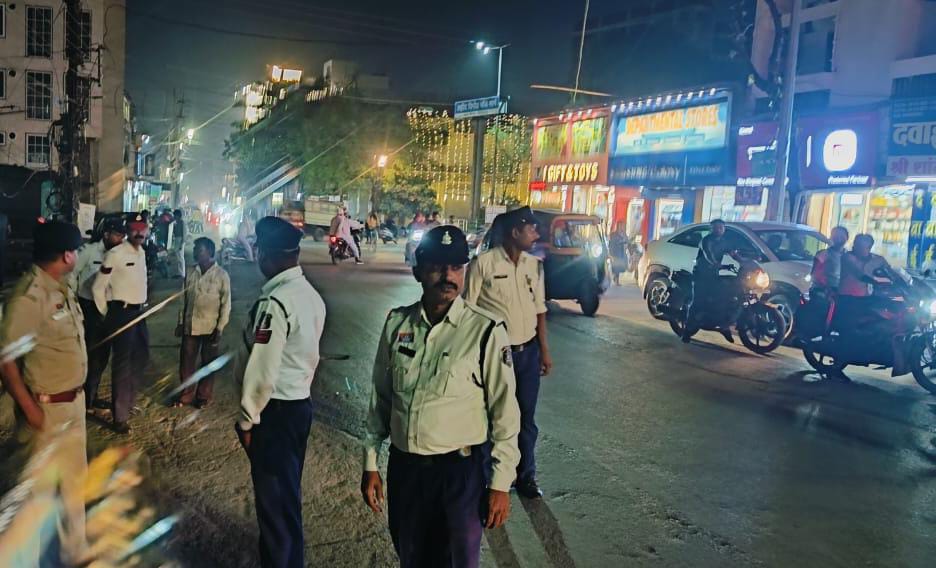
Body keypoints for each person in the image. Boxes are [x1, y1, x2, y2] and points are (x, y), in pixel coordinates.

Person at [362, 225, 520, 567]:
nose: (448, 276)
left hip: (458, 477)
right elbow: (381, 400)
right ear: (418, 271)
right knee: (410, 557)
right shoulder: (397, 324)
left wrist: (501, 483)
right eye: (437, 267)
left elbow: (505, 414)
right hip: (406, 471)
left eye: (456, 267)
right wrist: (371, 463)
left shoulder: (485, 331)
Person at [235, 217, 326, 568]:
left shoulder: (275, 302)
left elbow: (262, 372)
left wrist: (247, 421)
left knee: (274, 507)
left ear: (264, 254)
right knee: (286, 500)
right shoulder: (310, 295)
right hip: (299, 406)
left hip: (275, 414)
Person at [0, 220, 88, 564]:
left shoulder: (60, 289)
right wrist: (31, 410)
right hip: (46, 413)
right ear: (66, 256)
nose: (77, 256)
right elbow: (6, 360)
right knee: (36, 498)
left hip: (73, 407)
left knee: (74, 489)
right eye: (76, 251)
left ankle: (75, 554)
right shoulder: (29, 298)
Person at [465, 206, 551, 499]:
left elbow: (540, 311)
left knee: (526, 418)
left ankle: (525, 476)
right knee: (493, 416)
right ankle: (488, 477)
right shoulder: (483, 264)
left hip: (527, 353)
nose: (536, 234)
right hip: (494, 355)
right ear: (515, 232)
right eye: (531, 229)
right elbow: (468, 310)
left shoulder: (534, 266)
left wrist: (544, 351)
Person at [92, 214, 150, 434]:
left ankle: (127, 401)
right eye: (135, 229)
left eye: (143, 228)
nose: (139, 232)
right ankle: (120, 416)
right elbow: (98, 287)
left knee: (140, 358)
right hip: (121, 312)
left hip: (139, 312)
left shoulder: (142, 252)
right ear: (128, 230)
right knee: (123, 365)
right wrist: (106, 313)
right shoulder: (115, 254)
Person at [71, 216, 126, 410]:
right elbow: (72, 274)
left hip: (109, 308)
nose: (121, 239)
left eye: (122, 235)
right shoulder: (89, 251)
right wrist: (72, 302)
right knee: (89, 356)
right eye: (117, 235)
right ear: (106, 234)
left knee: (102, 356)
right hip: (89, 309)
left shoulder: (119, 254)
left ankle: (91, 397)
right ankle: (83, 400)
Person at [172, 237, 231, 409]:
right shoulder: (191, 272)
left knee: (208, 363)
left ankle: (203, 396)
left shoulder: (221, 275)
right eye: (195, 249)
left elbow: (226, 304)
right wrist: (180, 322)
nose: (195, 252)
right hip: (190, 325)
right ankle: (186, 395)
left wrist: (220, 328)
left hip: (210, 327)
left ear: (210, 252)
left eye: (199, 249)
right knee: (186, 363)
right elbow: (183, 299)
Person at [683, 219, 735, 343]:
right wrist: (716, 264)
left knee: (724, 298)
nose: (718, 230)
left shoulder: (724, 241)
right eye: (716, 227)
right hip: (701, 275)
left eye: (721, 227)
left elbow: (733, 253)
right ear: (711, 229)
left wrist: (745, 261)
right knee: (697, 303)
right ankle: (686, 332)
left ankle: (724, 326)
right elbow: (708, 255)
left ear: (724, 229)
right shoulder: (706, 241)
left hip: (714, 275)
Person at [810, 226, 849, 295]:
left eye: (842, 235)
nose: (839, 237)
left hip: (841, 294)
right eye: (836, 235)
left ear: (847, 238)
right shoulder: (823, 254)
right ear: (831, 237)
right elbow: (815, 274)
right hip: (823, 293)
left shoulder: (849, 256)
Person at [170, 209, 187, 279]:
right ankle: (179, 272)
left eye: (175, 215)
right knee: (178, 258)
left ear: (178, 215)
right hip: (177, 240)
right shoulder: (176, 223)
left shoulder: (182, 223)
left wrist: (181, 244)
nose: (174, 216)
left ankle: (182, 274)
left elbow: (184, 234)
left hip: (180, 240)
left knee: (181, 258)